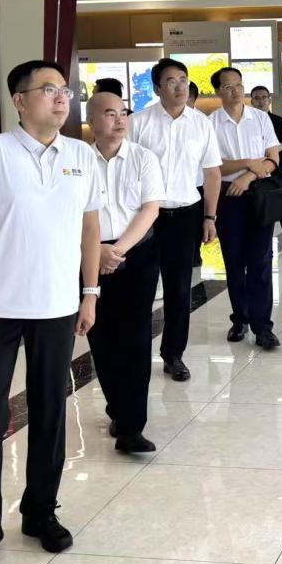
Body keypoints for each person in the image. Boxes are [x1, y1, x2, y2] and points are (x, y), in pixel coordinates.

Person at [0, 59, 100, 564]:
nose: (60, 98)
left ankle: (40, 511)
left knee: (51, 411)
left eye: (65, 90)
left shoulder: (81, 155)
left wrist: (89, 293)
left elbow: (89, 228)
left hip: (57, 306)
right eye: (47, 89)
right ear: (19, 100)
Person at [128, 59, 222, 381]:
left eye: (183, 79)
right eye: (171, 81)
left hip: (185, 215)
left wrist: (210, 216)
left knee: (179, 289)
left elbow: (212, 173)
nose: (180, 86)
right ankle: (136, 355)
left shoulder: (201, 124)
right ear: (157, 88)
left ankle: (173, 355)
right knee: (141, 288)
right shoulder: (138, 123)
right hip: (145, 217)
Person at [85, 90, 163, 451]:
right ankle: (117, 405)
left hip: (136, 253)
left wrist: (116, 251)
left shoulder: (144, 158)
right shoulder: (78, 160)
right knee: (101, 336)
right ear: (91, 121)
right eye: (110, 113)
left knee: (135, 337)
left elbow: (150, 209)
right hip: (89, 255)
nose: (119, 120)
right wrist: (96, 251)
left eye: (123, 113)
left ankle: (132, 427)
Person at [209, 66, 282, 349]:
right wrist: (248, 163)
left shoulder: (261, 118)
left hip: (259, 194)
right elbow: (212, 166)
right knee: (234, 261)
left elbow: (272, 158)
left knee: (261, 261)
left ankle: (263, 327)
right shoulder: (210, 123)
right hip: (227, 197)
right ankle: (240, 319)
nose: (236, 91)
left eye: (239, 85)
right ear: (218, 91)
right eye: (228, 87)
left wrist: (248, 176)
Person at [251, 85, 282, 259]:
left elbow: (281, 145)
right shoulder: (248, 121)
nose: (260, 101)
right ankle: (265, 250)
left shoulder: (278, 121)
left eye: (264, 97)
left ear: (269, 100)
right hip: (255, 173)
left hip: (276, 171)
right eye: (256, 98)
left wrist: (265, 153)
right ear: (251, 101)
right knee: (261, 212)